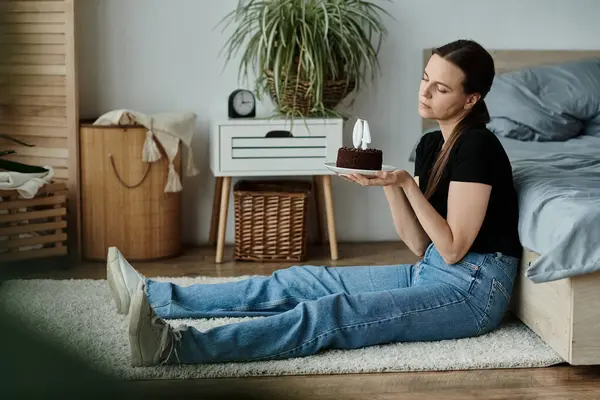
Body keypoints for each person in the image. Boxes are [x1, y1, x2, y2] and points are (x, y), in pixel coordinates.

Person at [107, 39, 522, 367]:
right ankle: (155, 295)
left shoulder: (478, 147)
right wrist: (390, 186)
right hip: (431, 270)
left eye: (441, 87)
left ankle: (174, 348)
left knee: (333, 313)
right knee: (299, 282)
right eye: (425, 78)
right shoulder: (432, 143)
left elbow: (452, 248)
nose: (425, 92)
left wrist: (407, 186)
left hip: (473, 290)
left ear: (471, 99)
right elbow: (419, 245)